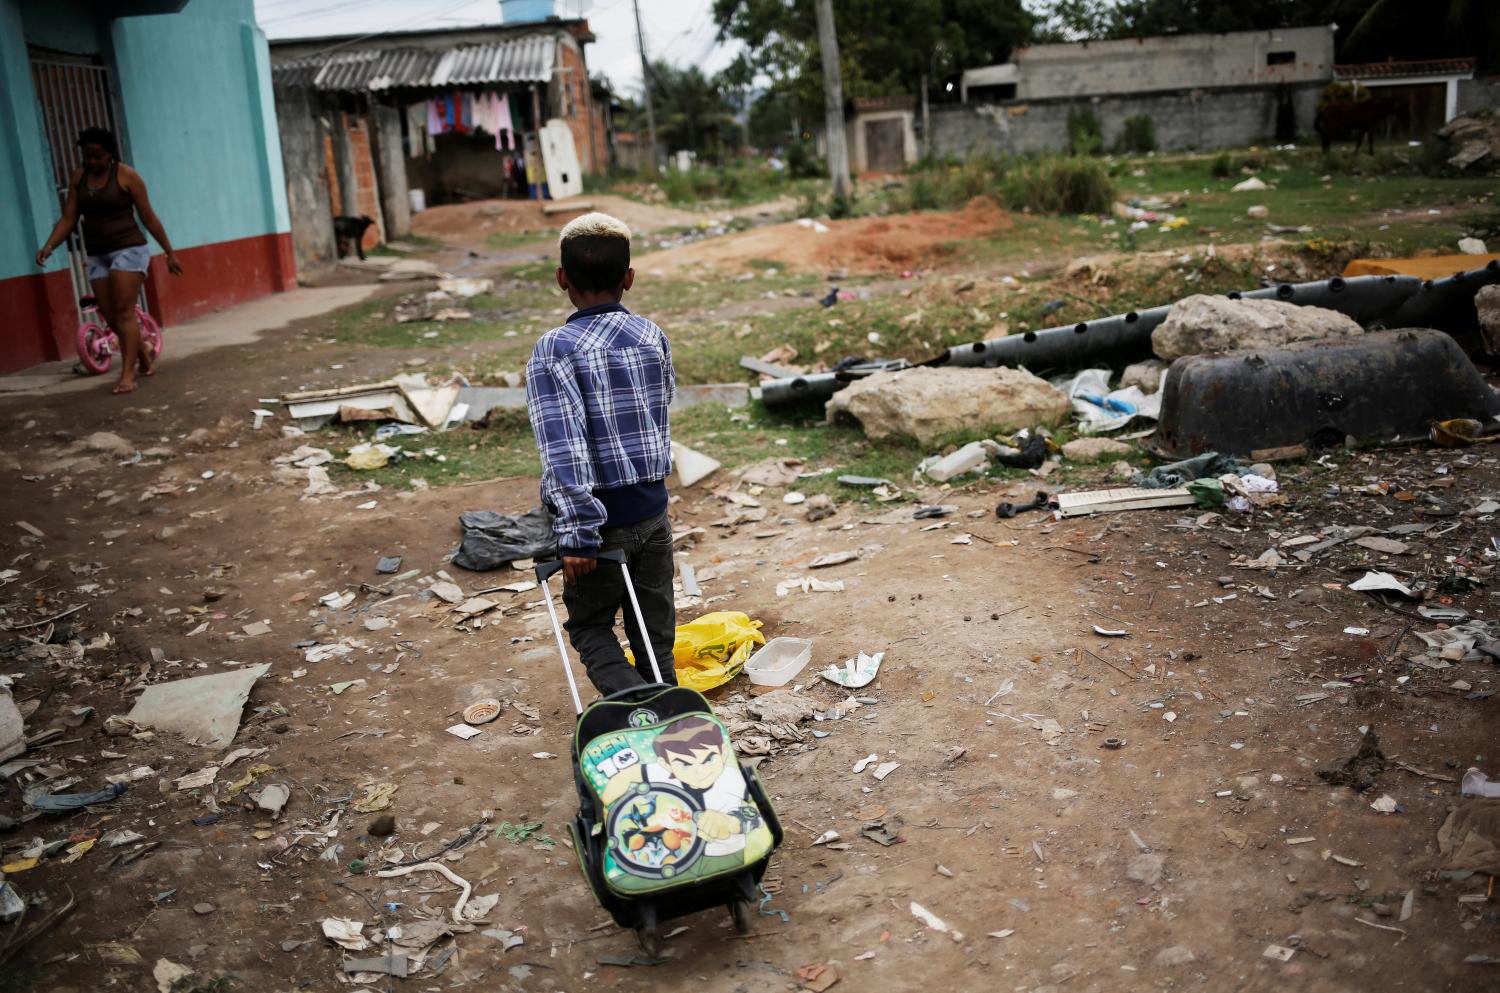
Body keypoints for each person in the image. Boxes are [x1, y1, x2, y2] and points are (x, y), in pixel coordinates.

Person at [526, 212, 678, 696]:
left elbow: (563, 446)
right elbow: (660, 407)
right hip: (653, 515)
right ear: (628, 278)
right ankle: (677, 721)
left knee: (591, 627)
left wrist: (576, 533)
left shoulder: (556, 348)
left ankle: (637, 711)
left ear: (562, 279)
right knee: (653, 637)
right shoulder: (651, 335)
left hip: (600, 526)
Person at [35, 126, 182, 394]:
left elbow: (149, 217)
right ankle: (145, 358)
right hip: (97, 253)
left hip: (129, 249)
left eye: (99, 157)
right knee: (111, 315)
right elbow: (69, 218)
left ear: (110, 154)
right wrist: (49, 246)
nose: (93, 162)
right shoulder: (79, 178)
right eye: (88, 157)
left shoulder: (127, 176)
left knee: (124, 311)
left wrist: (170, 252)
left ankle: (128, 376)